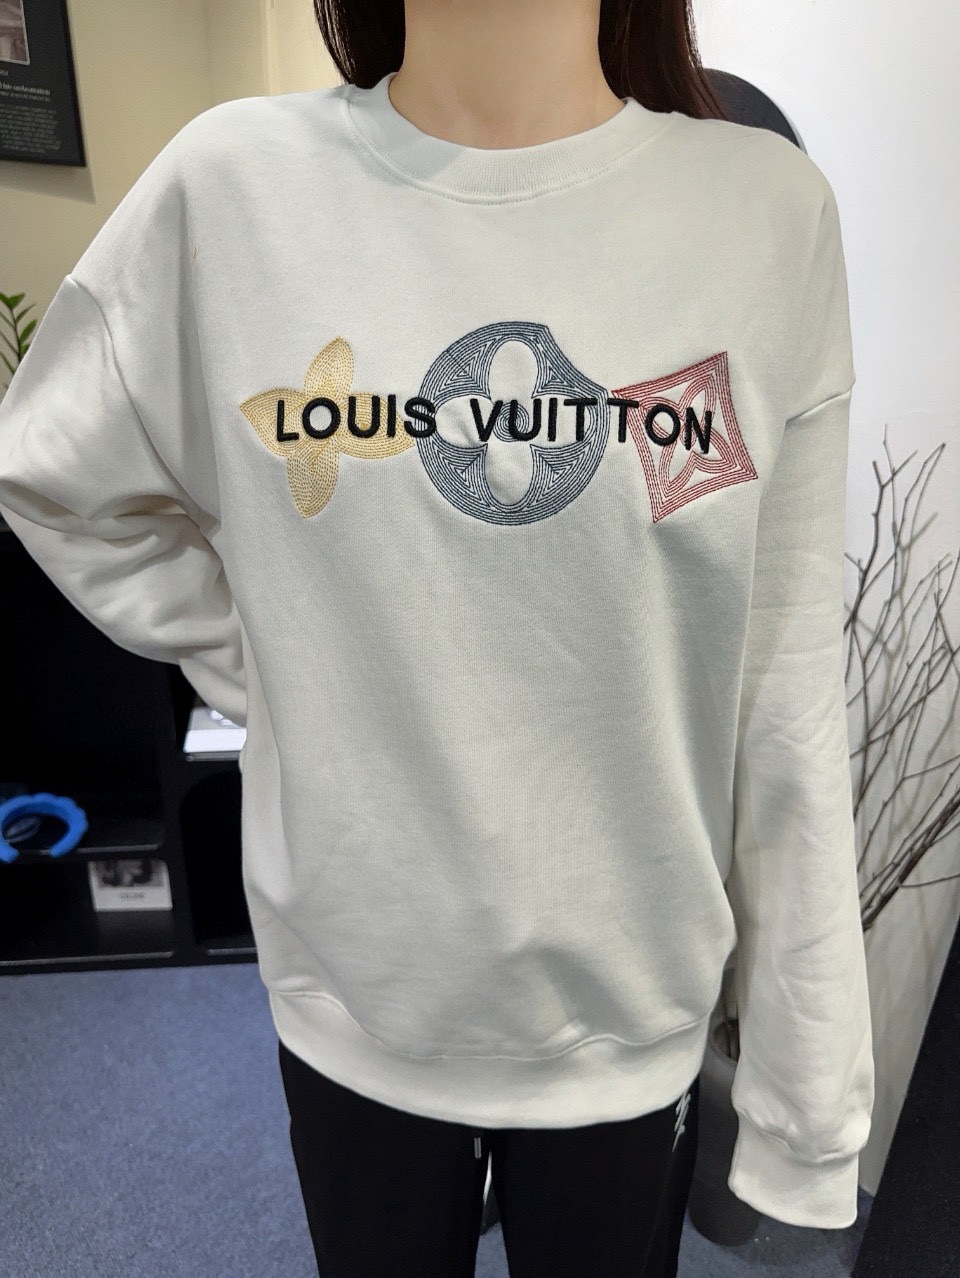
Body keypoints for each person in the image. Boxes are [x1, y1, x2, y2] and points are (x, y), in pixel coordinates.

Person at [0, 0, 875, 1274]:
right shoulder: (231, 189)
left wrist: (807, 1095)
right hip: (356, 982)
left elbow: (781, 687)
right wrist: (273, 664)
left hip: (629, 1007)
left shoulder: (763, 214)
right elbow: (55, 476)